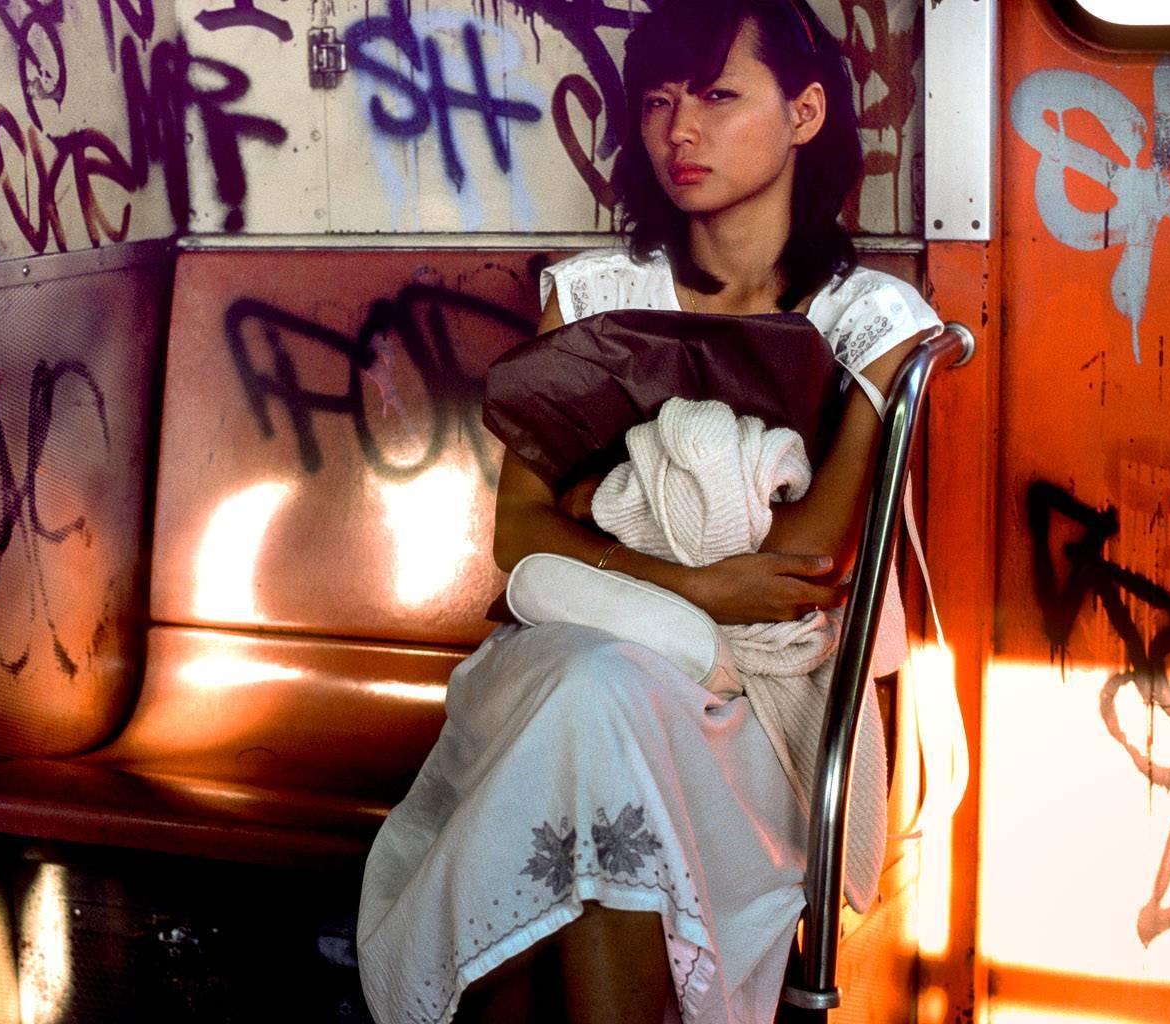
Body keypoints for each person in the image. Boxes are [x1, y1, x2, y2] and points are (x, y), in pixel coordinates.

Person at [357, 3, 943, 1023]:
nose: (680, 129)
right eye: (661, 99)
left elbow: (796, 569)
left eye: (718, 96)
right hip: (574, 658)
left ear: (803, 113)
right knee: (591, 686)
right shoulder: (593, 295)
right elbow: (518, 536)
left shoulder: (867, 320)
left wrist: (608, 523)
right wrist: (690, 580)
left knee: (597, 711)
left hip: (753, 707)